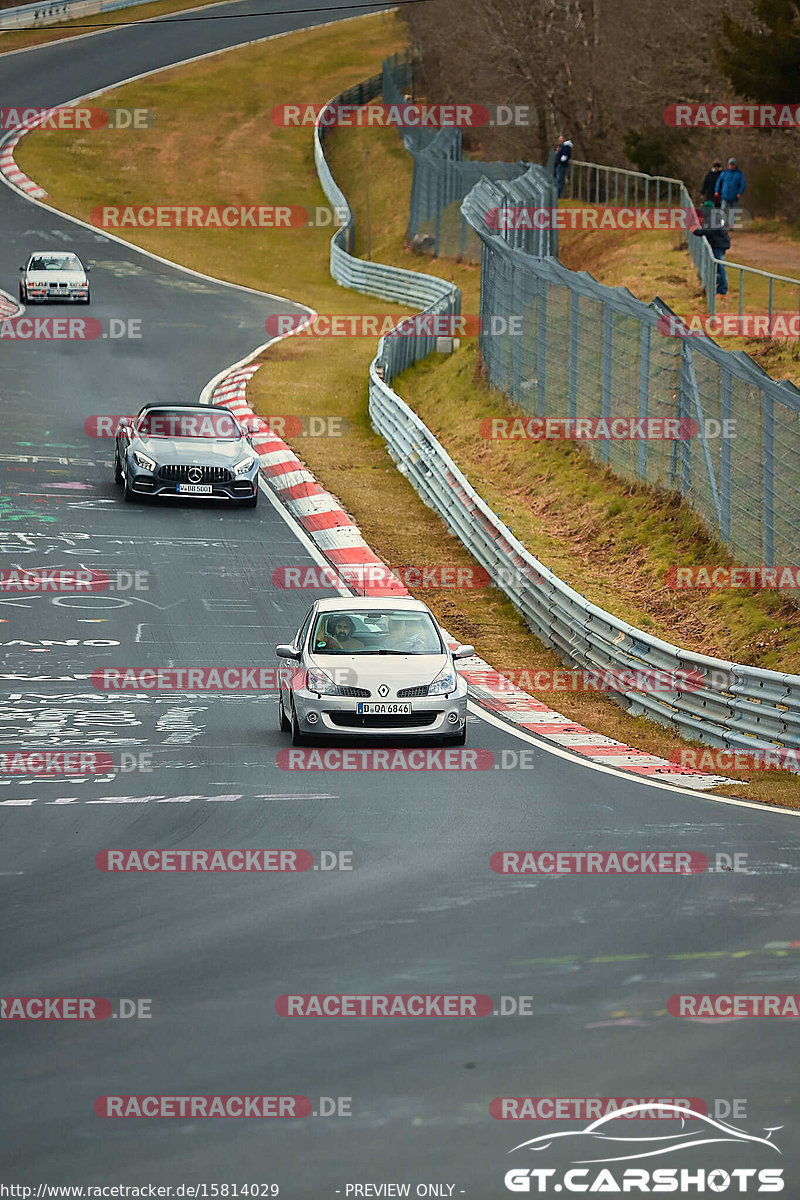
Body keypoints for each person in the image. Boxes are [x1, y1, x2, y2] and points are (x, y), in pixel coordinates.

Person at [691, 201, 730, 298]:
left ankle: (722, 291)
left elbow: (710, 231)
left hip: (719, 245)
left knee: (720, 268)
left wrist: (697, 231)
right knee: (717, 267)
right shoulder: (714, 216)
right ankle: (717, 285)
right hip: (719, 244)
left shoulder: (713, 218)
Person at [715, 157, 745, 228]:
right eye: (730, 164)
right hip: (724, 195)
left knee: (733, 211)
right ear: (728, 165)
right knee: (723, 209)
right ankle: (723, 224)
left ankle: (731, 225)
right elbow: (718, 182)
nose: (731, 166)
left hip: (734, 196)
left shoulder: (739, 174)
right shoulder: (724, 173)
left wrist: (739, 193)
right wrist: (716, 191)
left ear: (735, 165)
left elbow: (743, 184)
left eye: (733, 164)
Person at [553, 134, 573, 199]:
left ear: (564, 139)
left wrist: (560, 163)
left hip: (561, 166)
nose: (559, 140)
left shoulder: (566, 147)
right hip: (558, 165)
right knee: (558, 180)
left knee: (560, 181)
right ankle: (556, 195)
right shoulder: (562, 146)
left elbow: (565, 156)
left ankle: (558, 195)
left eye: (561, 139)